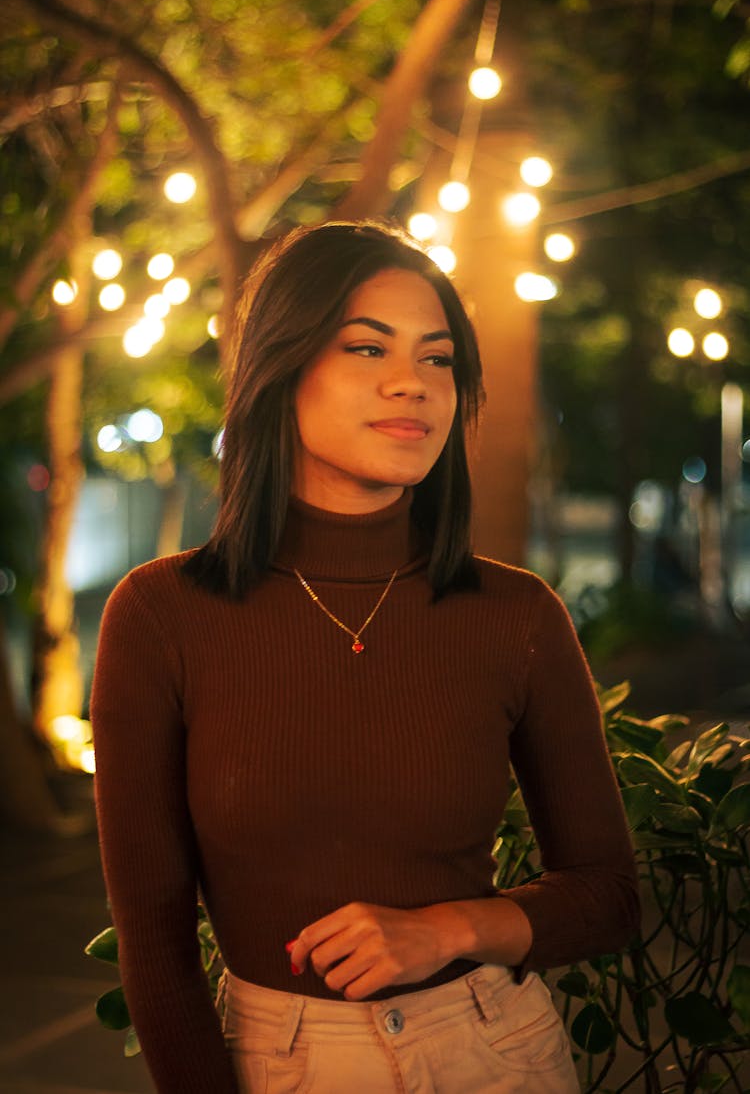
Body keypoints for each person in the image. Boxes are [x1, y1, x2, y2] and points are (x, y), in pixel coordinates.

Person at [90, 220, 640, 1094]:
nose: (410, 384)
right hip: (283, 1059)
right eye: (366, 346)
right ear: (281, 367)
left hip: (494, 1052)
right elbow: (154, 942)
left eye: (438, 358)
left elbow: (611, 893)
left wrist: (451, 928)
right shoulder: (162, 615)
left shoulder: (515, 613)